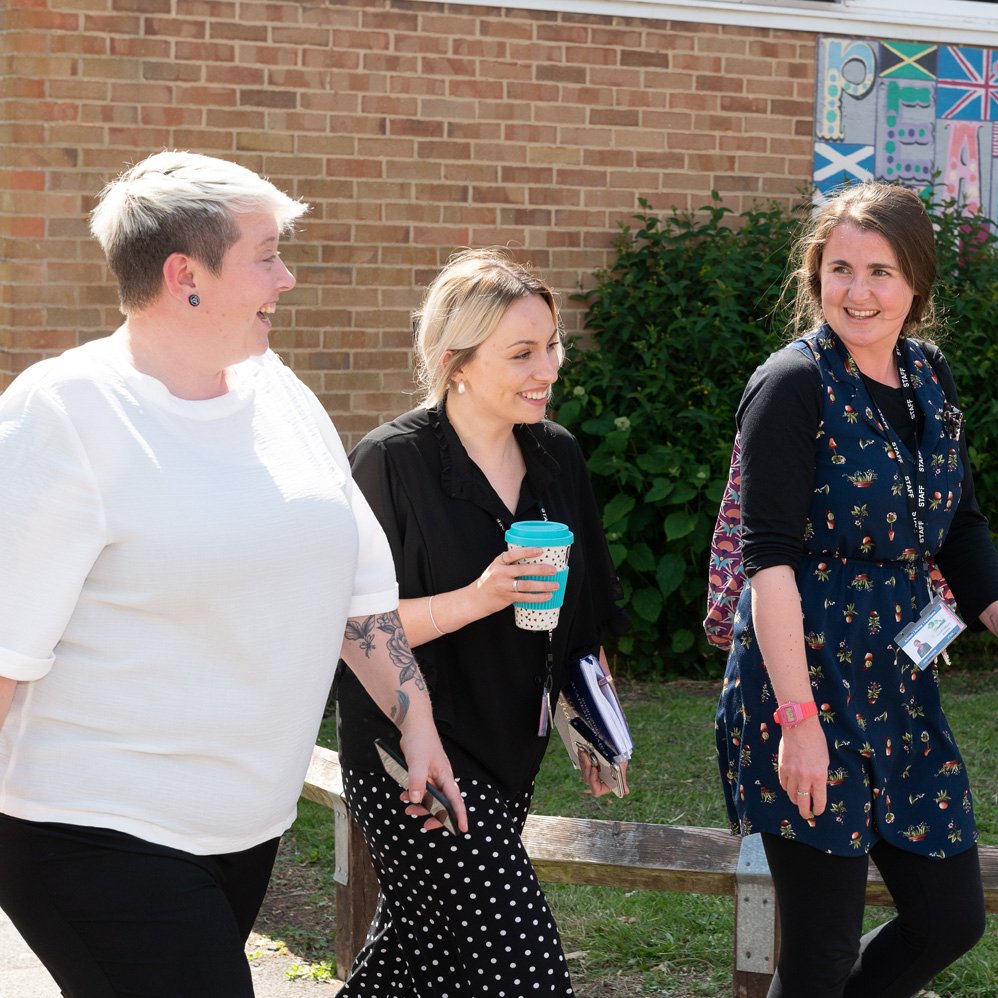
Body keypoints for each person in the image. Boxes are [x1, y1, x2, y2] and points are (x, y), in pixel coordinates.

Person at [0, 150, 466, 998]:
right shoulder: (64, 412)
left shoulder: (278, 393)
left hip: (245, 829)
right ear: (185, 275)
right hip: (91, 825)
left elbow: (358, 592)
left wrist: (418, 723)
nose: (286, 279)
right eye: (266, 255)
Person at [714, 181, 997, 998]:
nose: (858, 292)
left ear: (916, 283)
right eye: (840, 269)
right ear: (816, 277)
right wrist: (796, 721)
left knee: (949, 918)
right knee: (822, 950)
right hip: (802, 681)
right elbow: (768, 563)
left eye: (880, 271)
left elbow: (960, 524)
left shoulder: (929, 376)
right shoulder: (791, 383)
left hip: (898, 682)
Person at [333, 248, 628, 996]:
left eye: (552, 345)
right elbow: (349, 624)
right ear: (454, 362)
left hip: (509, 752)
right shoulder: (389, 462)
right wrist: (480, 595)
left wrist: (591, 722)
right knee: (525, 972)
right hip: (410, 756)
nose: (547, 369)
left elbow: (585, 617)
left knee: (415, 962)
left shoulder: (556, 456)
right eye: (521, 353)